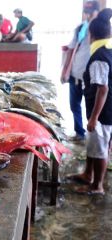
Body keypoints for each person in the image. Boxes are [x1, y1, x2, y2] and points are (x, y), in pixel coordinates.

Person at [67, 8, 112, 196]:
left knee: (100, 149)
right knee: (94, 144)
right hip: (103, 109)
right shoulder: (108, 50)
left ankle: (97, 186)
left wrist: (94, 118)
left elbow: (103, 89)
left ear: (91, 35)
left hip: (102, 112)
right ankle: (87, 174)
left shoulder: (98, 57)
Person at [61, 1, 100, 141]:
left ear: (97, 11)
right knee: (74, 105)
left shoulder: (103, 29)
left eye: (91, 12)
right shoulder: (80, 28)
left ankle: (95, 136)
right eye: (86, 12)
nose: (88, 15)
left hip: (94, 78)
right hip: (76, 74)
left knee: (93, 108)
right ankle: (79, 132)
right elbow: (71, 49)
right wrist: (65, 70)